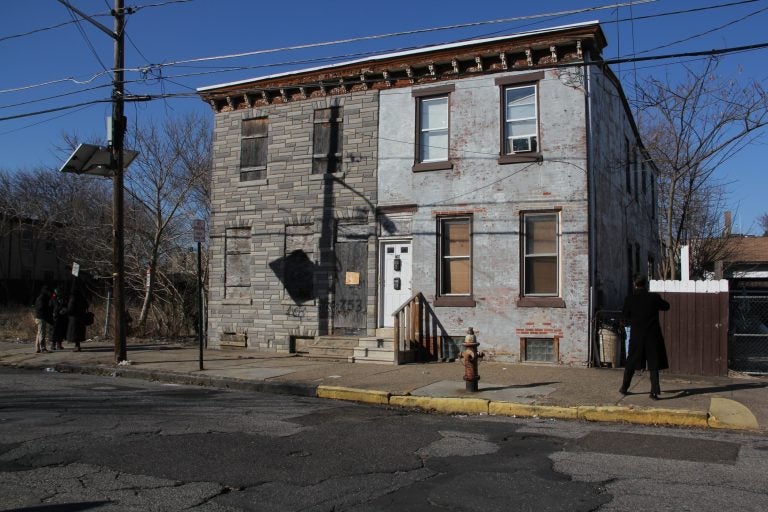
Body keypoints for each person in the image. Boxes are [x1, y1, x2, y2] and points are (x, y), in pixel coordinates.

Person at [619, 274, 670, 400]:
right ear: (646, 284)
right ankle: (654, 391)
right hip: (652, 334)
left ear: (634, 284)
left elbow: (625, 313)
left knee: (631, 361)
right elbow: (666, 306)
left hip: (637, 335)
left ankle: (624, 387)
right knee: (653, 364)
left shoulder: (630, 298)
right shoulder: (653, 297)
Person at [66, 286, 89, 352]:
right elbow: (87, 305)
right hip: (81, 318)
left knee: (75, 333)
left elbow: (70, 309)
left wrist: (66, 311)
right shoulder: (82, 298)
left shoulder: (73, 299)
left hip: (74, 319)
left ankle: (77, 346)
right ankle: (78, 345)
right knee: (79, 333)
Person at [33, 285, 53, 353]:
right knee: (42, 333)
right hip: (41, 318)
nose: (49, 293)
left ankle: (37, 348)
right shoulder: (43, 298)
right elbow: (42, 308)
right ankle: (43, 348)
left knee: (39, 333)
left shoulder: (39, 298)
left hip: (38, 317)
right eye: (48, 291)